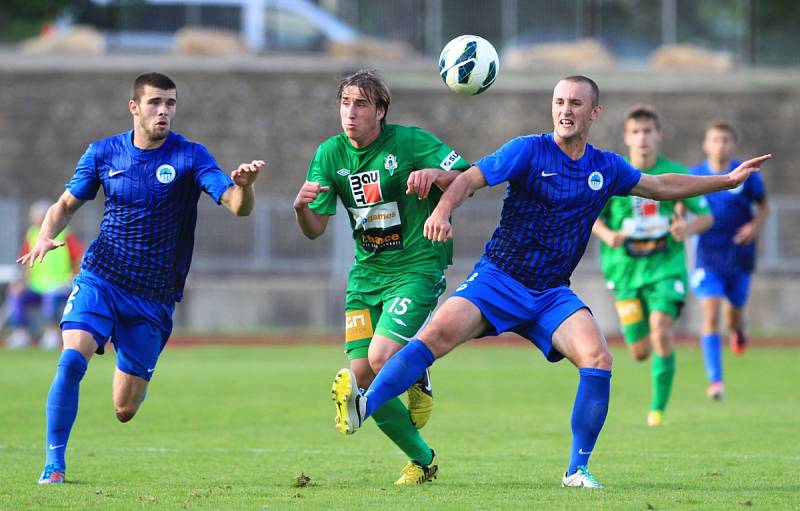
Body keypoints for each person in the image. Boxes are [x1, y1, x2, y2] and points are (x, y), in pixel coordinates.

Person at [329, 75, 770, 489]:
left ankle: (577, 470)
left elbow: (658, 185)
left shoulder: (606, 167)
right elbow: (470, 178)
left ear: (594, 113)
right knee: (434, 335)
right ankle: (364, 405)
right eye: (559, 102)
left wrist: (726, 180)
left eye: (576, 103)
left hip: (551, 293)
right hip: (498, 279)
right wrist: (442, 211)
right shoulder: (527, 150)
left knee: (598, 357)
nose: (565, 110)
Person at [19, 72, 263, 485]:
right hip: (102, 277)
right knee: (70, 359)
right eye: (154, 102)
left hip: (153, 297)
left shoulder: (191, 156)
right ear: (134, 107)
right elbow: (65, 205)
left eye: (170, 103)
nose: (163, 110)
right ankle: (54, 464)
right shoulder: (103, 152)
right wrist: (45, 235)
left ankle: (129, 360)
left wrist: (246, 186)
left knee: (124, 410)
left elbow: (237, 205)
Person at [294, 69, 469, 485]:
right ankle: (423, 460)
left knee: (379, 358)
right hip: (365, 276)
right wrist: (300, 208)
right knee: (361, 376)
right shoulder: (330, 154)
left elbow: (470, 176)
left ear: (381, 111)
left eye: (361, 104)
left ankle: (415, 370)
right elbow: (315, 227)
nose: (350, 113)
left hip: (416, 266)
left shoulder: (409, 142)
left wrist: (435, 176)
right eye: (345, 103)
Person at [591, 106, 713, 427]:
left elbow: (705, 215)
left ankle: (658, 408)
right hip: (625, 272)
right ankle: (648, 364)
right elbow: (592, 218)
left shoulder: (674, 173)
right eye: (636, 132)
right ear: (627, 137)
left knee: (661, 333)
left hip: (665, 268)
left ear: (657, 134)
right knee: (640, 351)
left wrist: (686, 229)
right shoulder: (612, 172)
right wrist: (609, 235)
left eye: (648, 131)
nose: (642, 138)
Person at [689, 122, 768, 400]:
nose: (720, 145)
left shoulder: (746, 174)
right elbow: (678, 202)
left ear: (732, 145)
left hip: (739, 258)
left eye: (725, 140)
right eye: (715, 140)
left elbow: (763, 205)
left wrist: (753, 227)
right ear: (705, 144)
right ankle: (716, 381)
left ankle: (738, 330)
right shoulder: (695, 175)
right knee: (710, 314)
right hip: (707, 259)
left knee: (732, 317)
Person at [5, 199, 83, 349]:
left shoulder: (65, 235)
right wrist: (22, 282)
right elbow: (26, 261)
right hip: (36, 286)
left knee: (51, 296)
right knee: (16, 294)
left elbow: (79, 257)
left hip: (61, 285)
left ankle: (51, 333)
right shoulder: (31, 234)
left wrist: (72, 277)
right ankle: (21, 334)